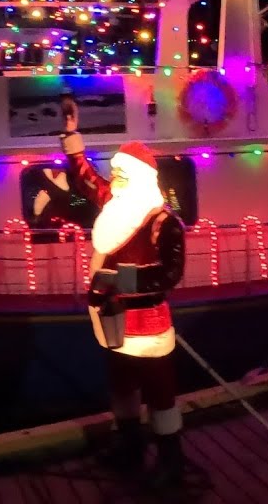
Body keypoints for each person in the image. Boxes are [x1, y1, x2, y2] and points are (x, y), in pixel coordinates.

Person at [59, 94, 187, 487]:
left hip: (148, 326)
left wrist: (118, 282)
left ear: (143, 179)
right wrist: (71, 135)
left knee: (160, 393)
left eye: (123, 173)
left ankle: (171, 462)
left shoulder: (164, 224)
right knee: (122, 388)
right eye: (114, 171)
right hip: (113, 322)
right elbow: (83, 176)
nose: (114, 178)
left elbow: (170, 276)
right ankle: (129, 448)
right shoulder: (114, 202)